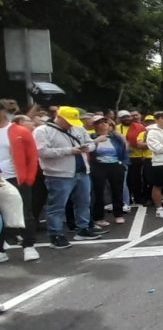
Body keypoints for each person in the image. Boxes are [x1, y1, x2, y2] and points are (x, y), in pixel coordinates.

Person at [33, 106, 105, 247]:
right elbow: (42, 152)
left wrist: (87, 148)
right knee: (57, 206)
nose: (71, 125)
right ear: (58, 117)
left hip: (82, 170)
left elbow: (91, 143)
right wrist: (69, 151)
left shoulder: (78, 129)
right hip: (58, 174)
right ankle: (56, 234)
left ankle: (83, 229)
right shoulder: (42, 131)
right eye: (68, 121)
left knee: (84, 202)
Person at [0, 99, 40, 261]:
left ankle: (29, 246)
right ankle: (1, 249)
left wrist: (28, 179)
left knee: (25, 213)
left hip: (16, 178)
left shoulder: (20, 131)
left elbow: (32, 157)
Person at [89, 117, 129, 226]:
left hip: (115, 165)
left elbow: (125, 149)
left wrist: (123, 164)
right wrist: (96, 141)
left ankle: (119, 214)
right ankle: (98, 217)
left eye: (105, 122)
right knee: (98, 192)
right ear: (95, 126)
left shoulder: (116, 137)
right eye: (100, 123)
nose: (103, 125)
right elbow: (87, 149)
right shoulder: (91, 137)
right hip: (98, 166)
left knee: (117, 190)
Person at [116, 110, 146, 207]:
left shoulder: (140, 127)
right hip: (123, 157)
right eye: (123, 117)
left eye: (128, 116)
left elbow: (144, 139)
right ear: (120, 119)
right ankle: (127, 199)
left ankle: (138, 198)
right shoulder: (116, 128)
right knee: (126, 180)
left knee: (137, 179)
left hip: (137, 156)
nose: (126, 119)